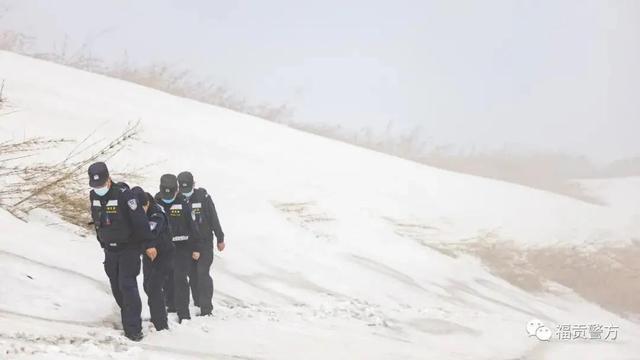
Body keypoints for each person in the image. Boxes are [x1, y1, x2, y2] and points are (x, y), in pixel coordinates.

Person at [88, 162, 151, 341]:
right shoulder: (93, 196)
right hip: (110, 250)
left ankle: (133, 329)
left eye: (101, 184)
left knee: (127, 285)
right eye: (95, 185)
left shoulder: (125, 195)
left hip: (128, 249)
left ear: (108, 179)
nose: (98, 188)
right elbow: (97, 219)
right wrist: (102, 241)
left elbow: (140, 221)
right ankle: (128, 317)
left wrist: (147, 244)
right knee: (116, 287)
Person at [177, 171, 225, 317]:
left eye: (188, 188)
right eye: (182, 189)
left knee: (203, 273)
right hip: (188, 244)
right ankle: (198, 302)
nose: (185, 192)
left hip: (205, 242)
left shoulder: (203, 197)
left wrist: (220, 238)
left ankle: (206, 308)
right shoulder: (177, 199)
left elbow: (213, 218)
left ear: (194, 184)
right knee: (192, 274)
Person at [155, 174, 201, 323]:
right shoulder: (156, 201)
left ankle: (184, 313)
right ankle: (171, 305)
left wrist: (196, 247)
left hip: (182, 247)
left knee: (180, 278)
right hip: (163, 247)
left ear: (176, 190)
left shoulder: (183, 202)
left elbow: (193, 226)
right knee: (166, 278)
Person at [131, 186, 175, 331]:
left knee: (154, 286)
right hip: (149, 255)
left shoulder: (157, 214)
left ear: (147, 204)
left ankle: (161, 324)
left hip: (164, 254)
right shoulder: (136, 208)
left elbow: (150, 233)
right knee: (147, 286)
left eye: (142, 209)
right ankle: (158, 315)